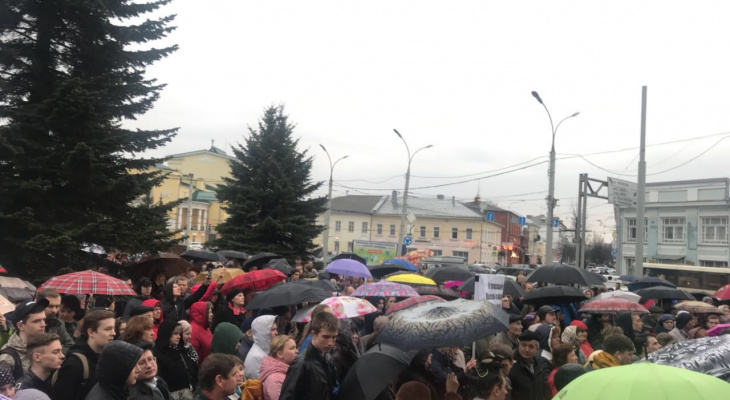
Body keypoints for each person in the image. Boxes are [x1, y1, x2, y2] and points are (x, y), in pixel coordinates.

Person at [52, 309, 116, 400]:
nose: (113, 333)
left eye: (113, 328)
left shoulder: (108, 358)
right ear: (91, 332)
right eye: (108, 329)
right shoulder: (74, 363)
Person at [279, 312, 338, 400]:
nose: (330, 343)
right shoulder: (301, 364)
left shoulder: (328, 358)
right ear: (313, 334)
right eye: (325, 337)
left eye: (334, 337)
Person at [0, 299, 49, 378]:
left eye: (44, 320)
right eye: (36, 321)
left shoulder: (46, 347)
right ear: (20, 326)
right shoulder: (8, 357)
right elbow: (4, 389)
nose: (43, 325)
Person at [154, 321, 197, 400]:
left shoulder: (181, 351)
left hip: (189, 393)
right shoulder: (158, 354)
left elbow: (192, 370)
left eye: (179, 334)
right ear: (167, 334)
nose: (179, 337)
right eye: (175, 334)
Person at [15, 333, 64, 397]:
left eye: (61, 351)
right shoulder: (24, 389)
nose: (62, 356)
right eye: (55, 352)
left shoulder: (58, 380)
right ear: (37, 357)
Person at [508, 331, 547, 400]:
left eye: (531, 347)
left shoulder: (540, 366)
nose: (526, 350)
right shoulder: (511, 367)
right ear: (519, 346)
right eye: (523, 345)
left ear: (537, 349)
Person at [36, 290, 75, 355]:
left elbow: (70, 344)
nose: (54, 310)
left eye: (57, 306)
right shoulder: (29, 323)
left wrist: (55, 353)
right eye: (50, 306)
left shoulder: (58, 323)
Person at [259, 335, 298, 400]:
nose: (296, 351)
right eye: (292, 348)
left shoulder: (286, 372)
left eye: (295, 347)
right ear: (280, 354)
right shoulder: (276, 380)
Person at [244, 315, 277, 380]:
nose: (276, 333)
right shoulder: (255, 357)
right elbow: (256, 385)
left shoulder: (265, 351)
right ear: (263, 332)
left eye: (276, 329)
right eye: (273, 330)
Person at [189, 302, 213, 366]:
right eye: (209, 312)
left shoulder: (206, 327)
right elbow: (192, 357)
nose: (212, 314)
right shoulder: (193, 330)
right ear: (202, 313)